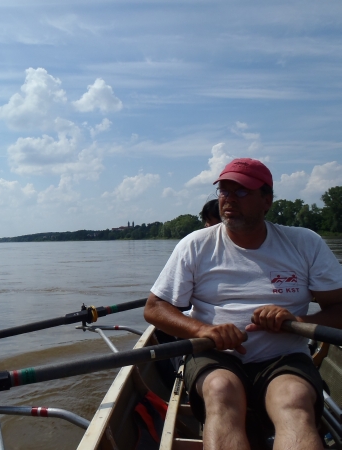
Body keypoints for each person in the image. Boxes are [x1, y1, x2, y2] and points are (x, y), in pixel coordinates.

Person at [144, 158, 342, 450]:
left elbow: (339, 309)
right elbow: (154, 308)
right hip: (215, 355)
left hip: (284, 357)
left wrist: (297, 323)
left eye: (242, 191)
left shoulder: (305, 243)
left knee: (295, 401)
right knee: (221, 391)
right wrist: (202, 330)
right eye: (224, 191)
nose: (229, 200)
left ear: (267, 200)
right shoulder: (195, 245)